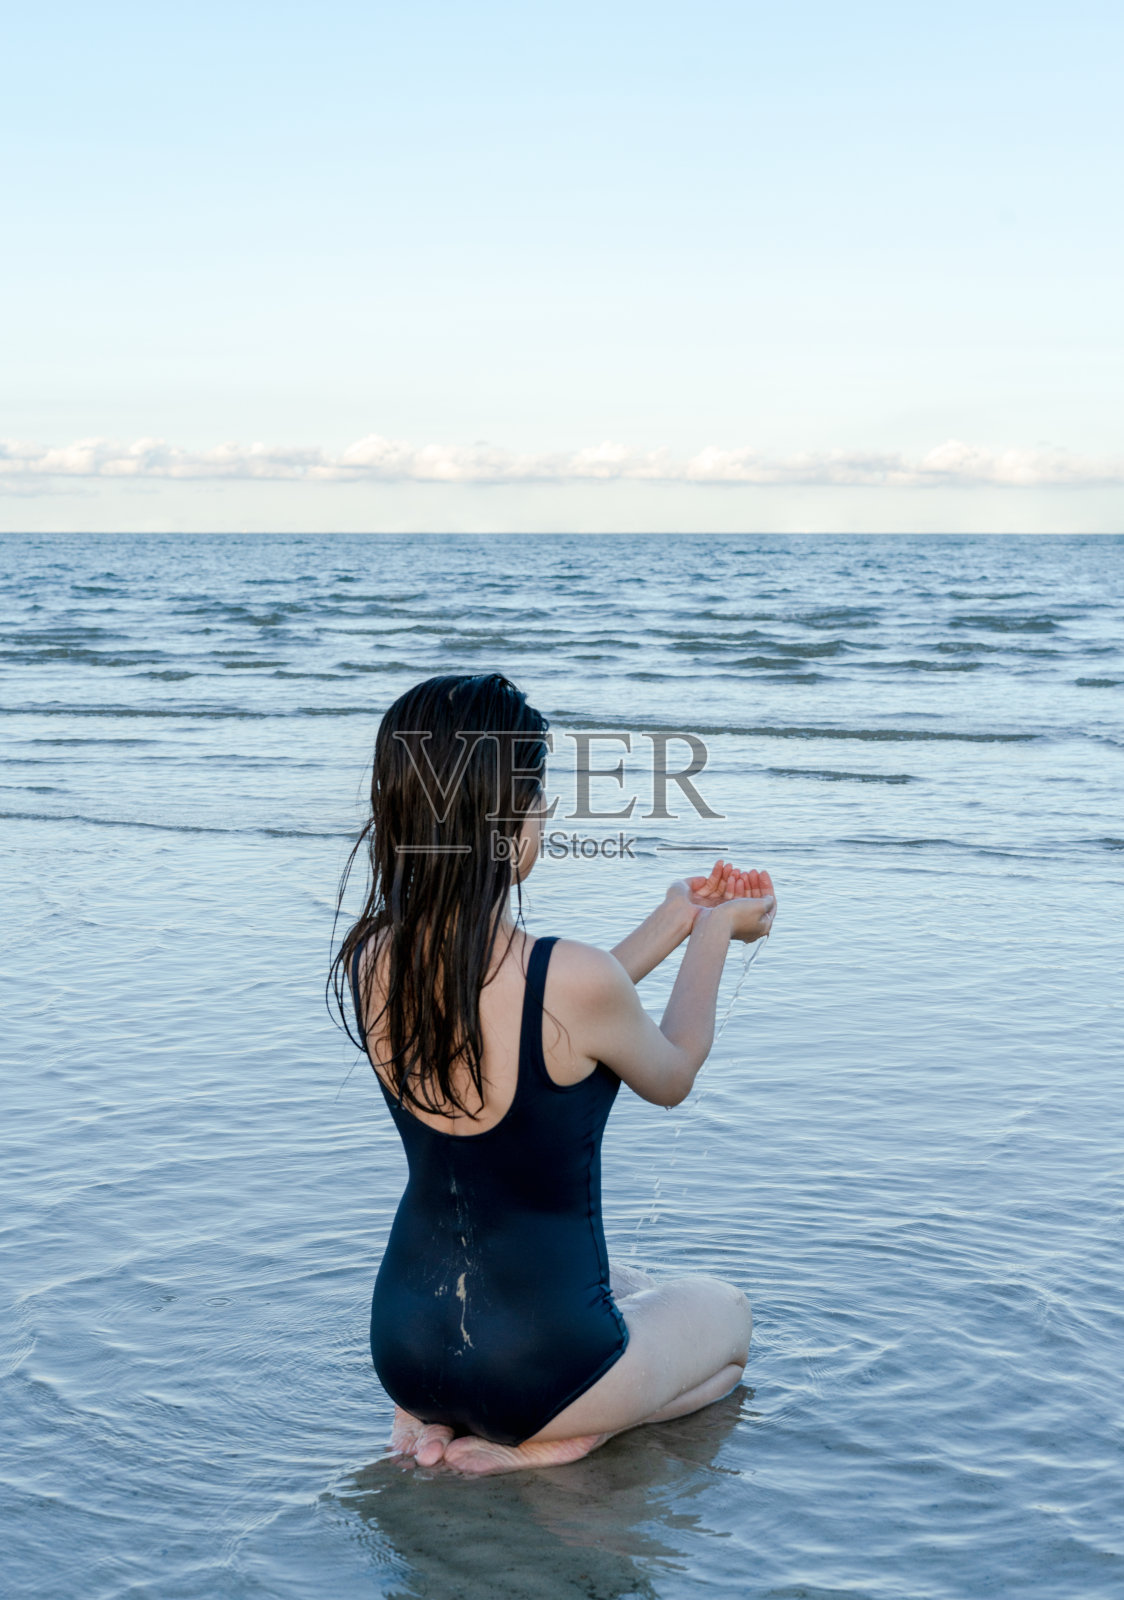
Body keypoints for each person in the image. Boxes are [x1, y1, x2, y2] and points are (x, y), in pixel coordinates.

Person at [330, 672, 776, 1476]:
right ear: (504, 819)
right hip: (538, 1369)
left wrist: (674, 916)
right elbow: (670, 1069)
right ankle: (551, 1444)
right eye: (539, 799)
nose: (547, 816)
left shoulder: (373, 959)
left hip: (406, 1347)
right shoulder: (569, 980)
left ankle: (443, 1427)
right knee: (730, 1331)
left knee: (618, 1276)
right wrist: (715, 932)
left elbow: (557, 1012)